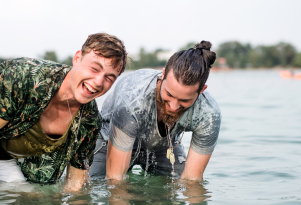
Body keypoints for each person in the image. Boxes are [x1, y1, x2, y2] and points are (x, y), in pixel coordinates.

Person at [0, 33, 128, 195]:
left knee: (30, 203)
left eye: (109, 77)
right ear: (77, 59)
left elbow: (75, 186)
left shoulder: (90, 121)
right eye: (94, 68)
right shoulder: (26, 76)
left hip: (2, 155)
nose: (98, 82)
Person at [89, 41, 221, 181]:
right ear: (163, 75)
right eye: (169, 94)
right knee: (95, 184)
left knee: (175, 186)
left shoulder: (208, 114)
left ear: (201, 91)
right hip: (109, 139)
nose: (174, 106)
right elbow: (115, 179)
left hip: (162, 146)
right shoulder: (133, 99)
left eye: (184, 100)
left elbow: (192, 180)